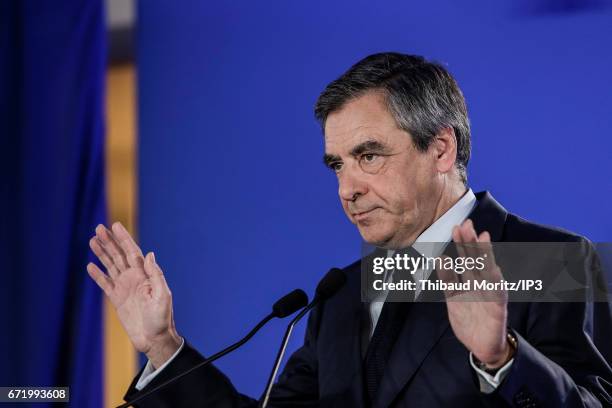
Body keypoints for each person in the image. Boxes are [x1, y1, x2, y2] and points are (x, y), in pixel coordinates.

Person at [87, 53, 612, 407]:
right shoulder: (341, 296)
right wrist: (163, 345)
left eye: (369, 155)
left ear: (441, 149)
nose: (347, 187)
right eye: (337, 164)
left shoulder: (547, 258)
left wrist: (501, 359)